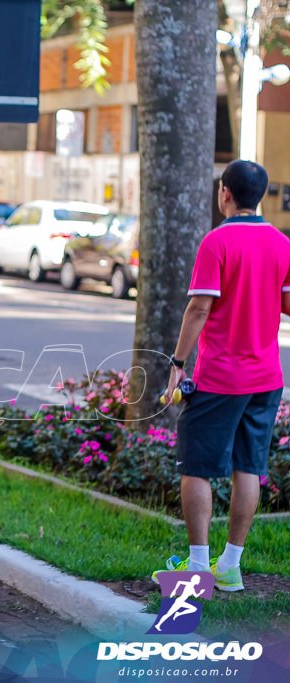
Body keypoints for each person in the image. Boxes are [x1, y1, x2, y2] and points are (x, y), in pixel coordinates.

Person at [154, 159, 290, 592]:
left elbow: (199, 308)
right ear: (262, 196)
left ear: (225, 193)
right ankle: (230, 567)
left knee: (197, 467)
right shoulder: (282, 243)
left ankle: (197, 570)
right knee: (248, 467)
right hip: (266, 378)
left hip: (220, 377)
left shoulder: (217, 242)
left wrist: (177, 363)